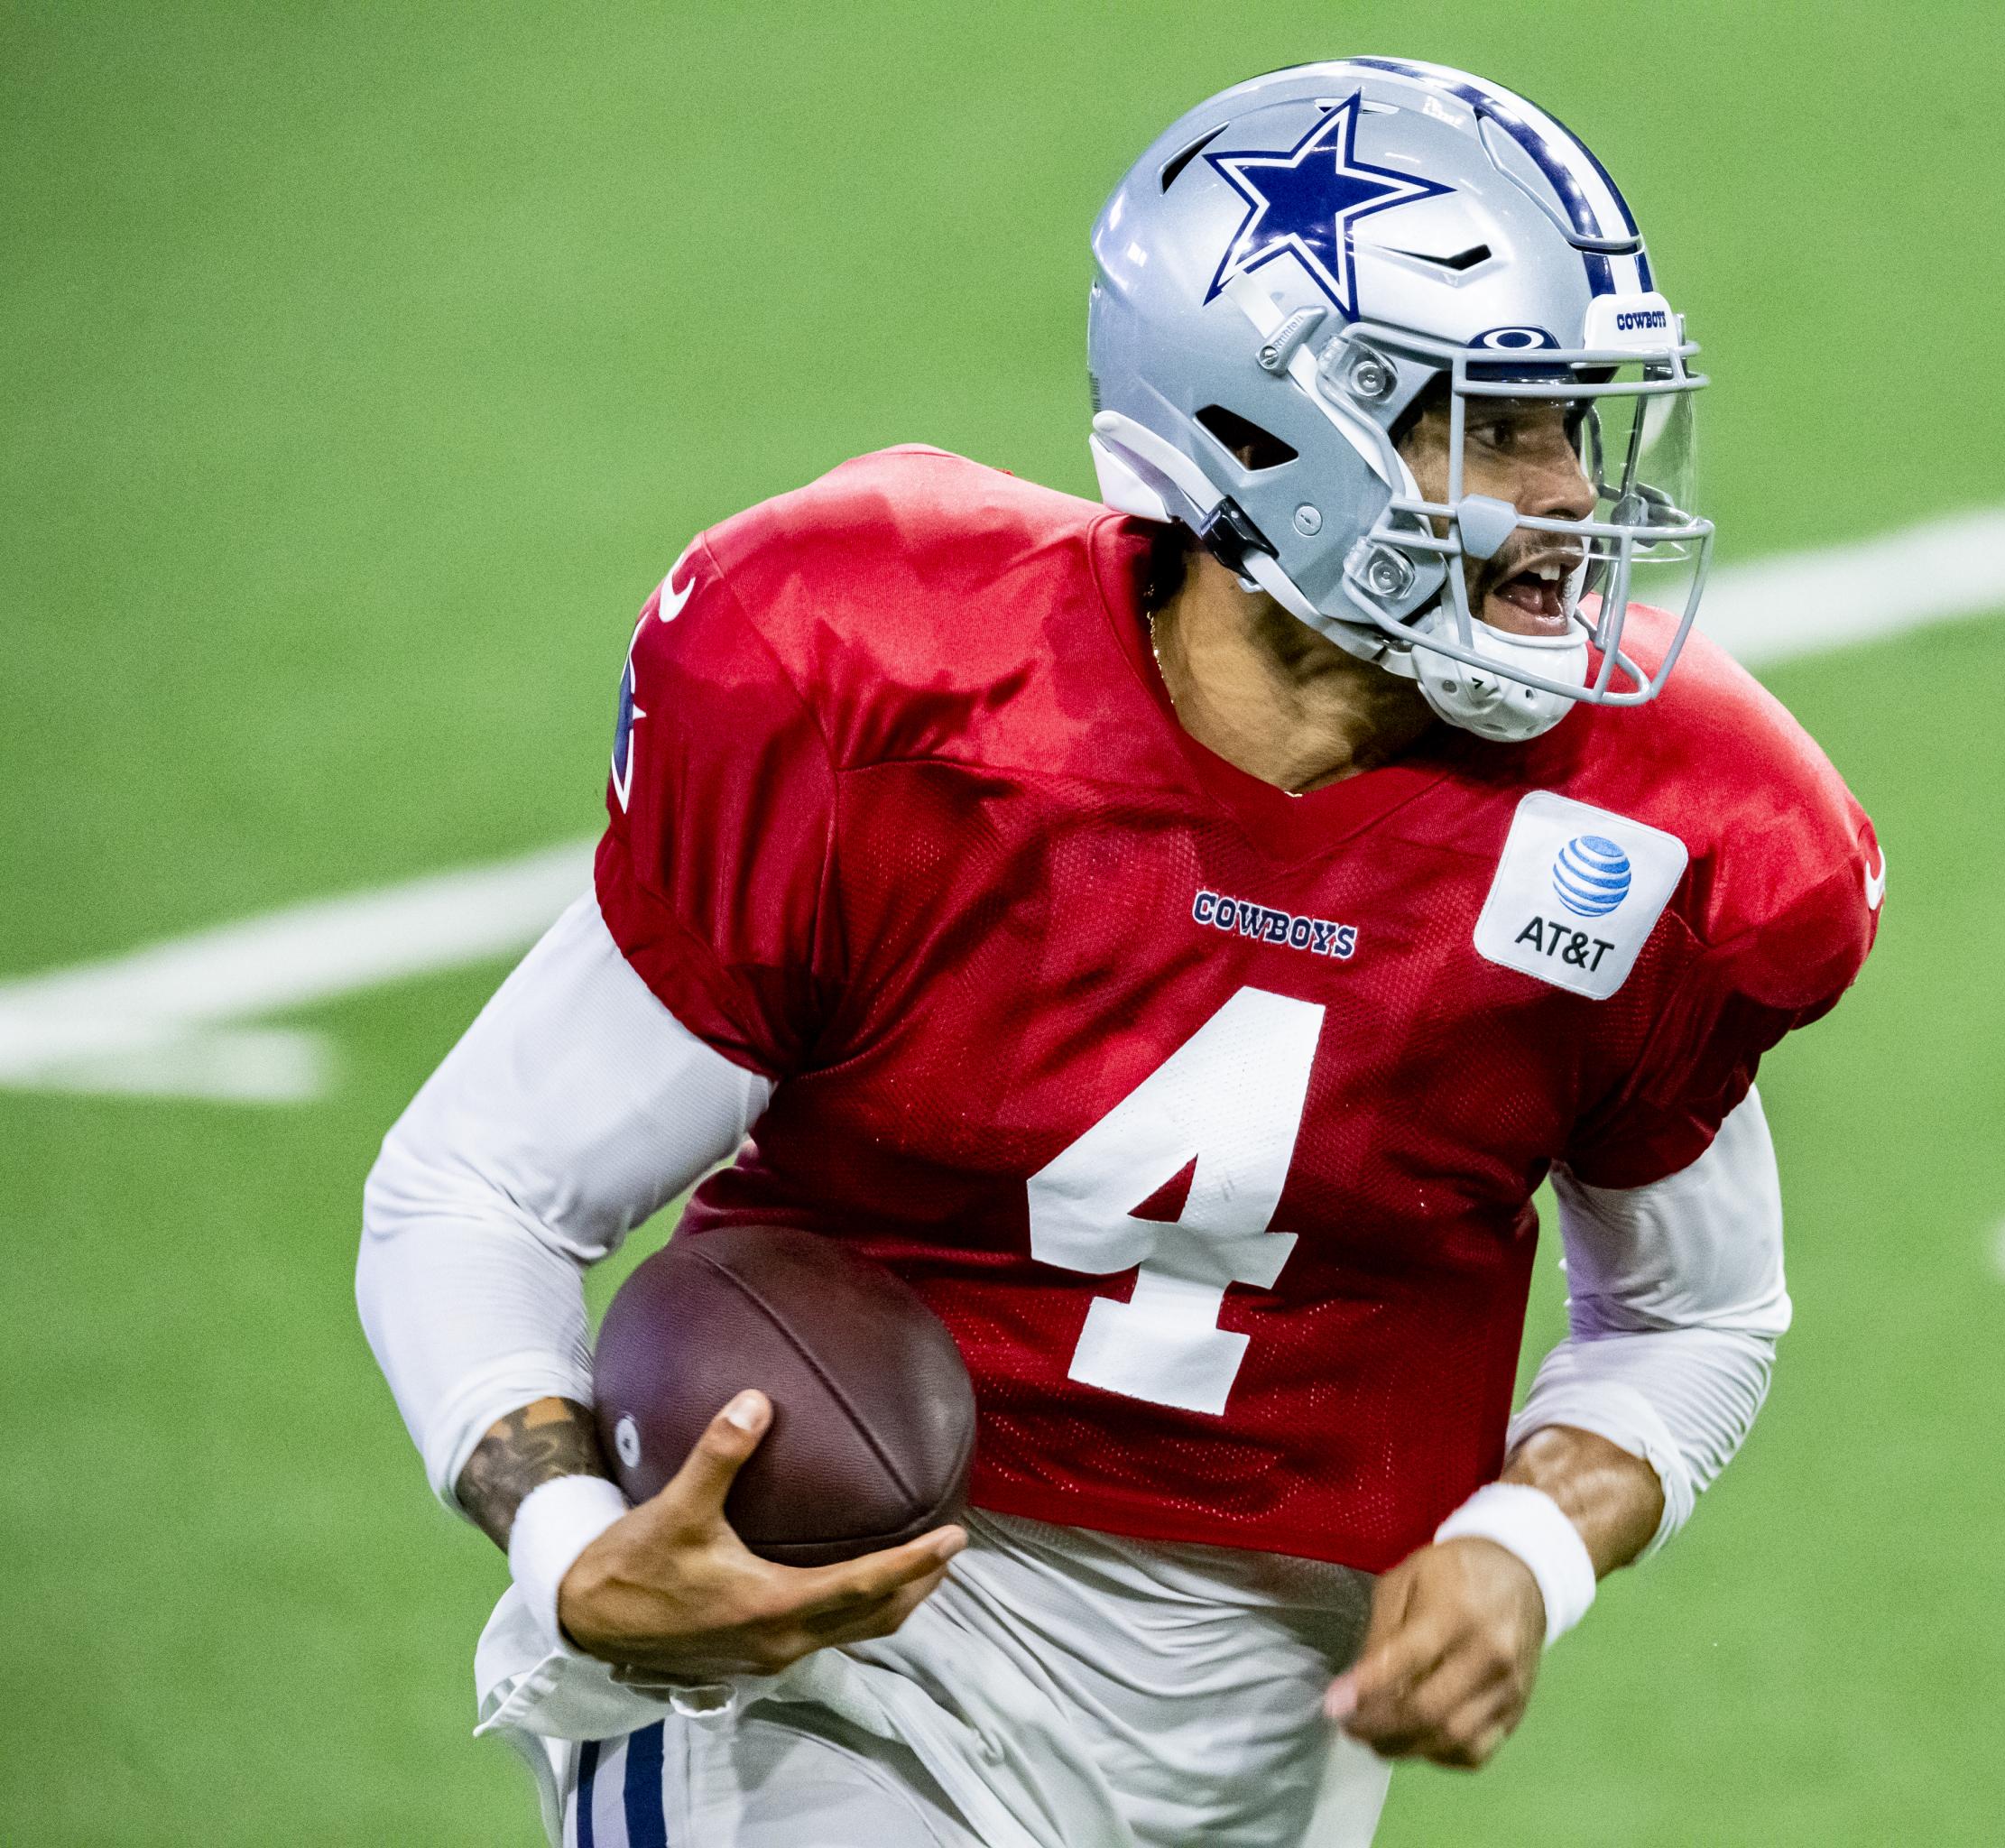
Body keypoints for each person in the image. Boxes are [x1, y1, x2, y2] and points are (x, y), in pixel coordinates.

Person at [358, 56, 1880, 1848]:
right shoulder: (881, 684)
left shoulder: (1665, 829)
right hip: (823, 1652)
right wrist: (570, 1538)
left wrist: (1528, 1542)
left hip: (1257, 1724)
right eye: (1494, 423)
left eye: (1577, 424)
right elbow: (480, 1188)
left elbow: (1694, 1315)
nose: (1565, 500)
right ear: (1261, 430)